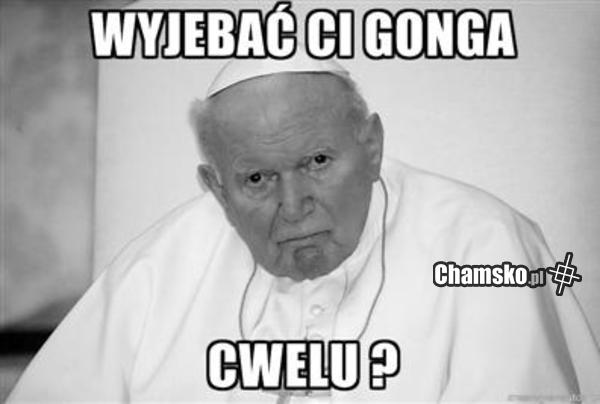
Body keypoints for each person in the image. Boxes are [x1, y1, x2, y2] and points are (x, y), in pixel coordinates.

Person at [9, 52, 600, 403]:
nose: (293, 207)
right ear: (217, 188)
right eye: (256, 179)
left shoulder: (488, 246)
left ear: (371, 147)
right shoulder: (154, 273)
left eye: (317, 161)